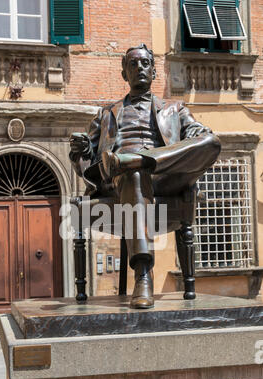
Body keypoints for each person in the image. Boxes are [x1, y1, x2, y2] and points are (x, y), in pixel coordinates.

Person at [69, 44, 221, 309]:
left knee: (212, 140)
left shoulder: (177, 110)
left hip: (166, 178)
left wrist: (192, 139)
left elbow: (201, 137)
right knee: (134, 176)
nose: (139, 68)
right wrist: (80, 152)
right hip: (119, 182)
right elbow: (89, 166)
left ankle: (137, 160)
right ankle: (143, 276)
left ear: (153, 71)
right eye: (133, 64)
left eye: (145, 63)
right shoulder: (105, 115)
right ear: (124, 74)